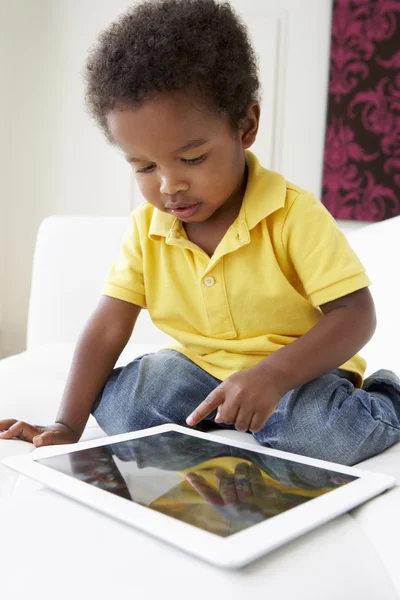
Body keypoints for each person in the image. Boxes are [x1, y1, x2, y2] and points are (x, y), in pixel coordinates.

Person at [1, 0, 399, 466]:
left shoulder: (294, 215)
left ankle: (388, 396)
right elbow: (110, 324)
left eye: (191, 159)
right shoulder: (147, 228)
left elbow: (356, 315)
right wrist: (67, 424)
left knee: (326, 434)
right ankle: (226, 416)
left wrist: (271, 377)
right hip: (198, 372)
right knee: (123, 405)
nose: (170, 185)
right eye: (145, 166)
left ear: (245, 126)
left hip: (295, 376)